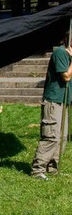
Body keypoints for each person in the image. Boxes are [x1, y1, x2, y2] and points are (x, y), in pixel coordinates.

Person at [31, 34, 72, 180]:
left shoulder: (69, 55)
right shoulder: (60, 52)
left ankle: (52, 168)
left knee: (62, 137)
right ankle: (37, 170)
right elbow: (66, 76)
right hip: (53, 101)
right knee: (51, 136)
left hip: (63, 101)